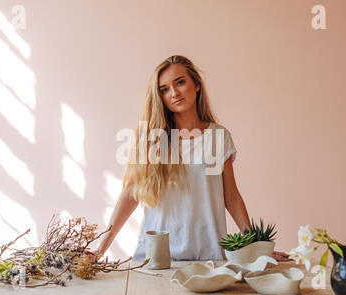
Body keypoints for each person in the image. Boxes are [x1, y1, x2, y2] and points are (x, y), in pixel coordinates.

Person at [93, 55, 289, 262]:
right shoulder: (150, 138)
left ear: (196, 85)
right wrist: (99, 250)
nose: (174, 93)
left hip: (208, 260)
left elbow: (231, 197)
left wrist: (256, 246)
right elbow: (130, 195)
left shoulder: (218, 137)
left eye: (180, 82)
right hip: (155, 261)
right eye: (164, 89)